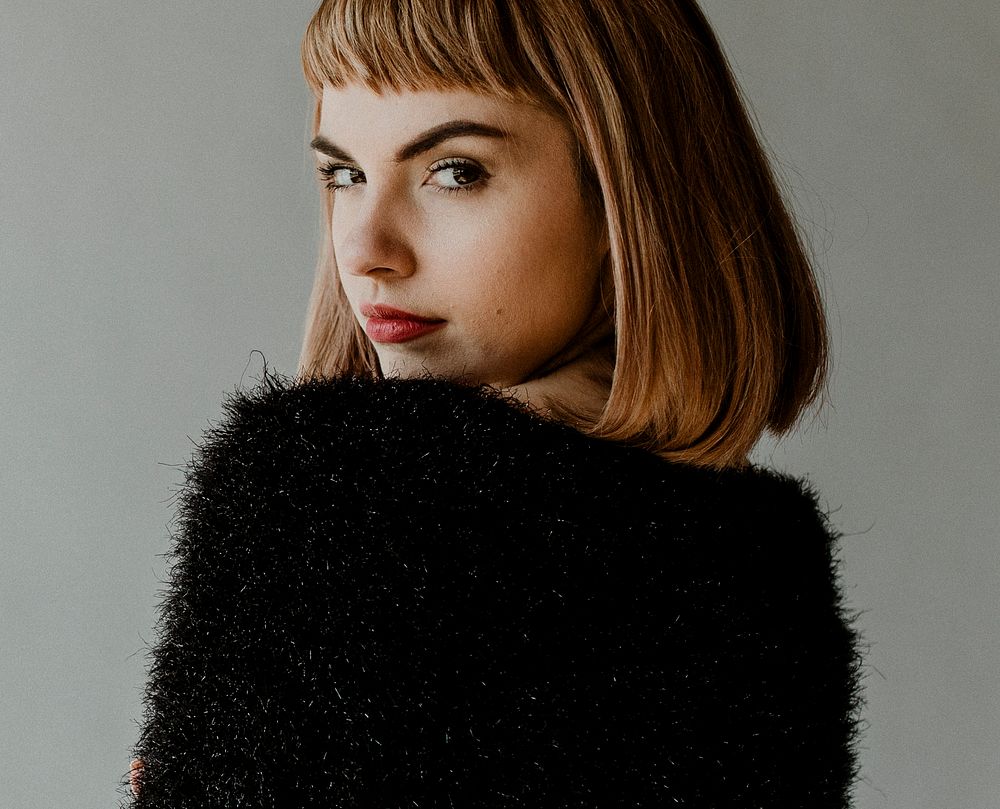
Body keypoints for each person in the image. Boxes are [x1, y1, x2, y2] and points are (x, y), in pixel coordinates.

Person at [127, 1, 862, 806]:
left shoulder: (327, 497)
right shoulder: (766, 570)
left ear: (624, 197)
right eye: (345, 174)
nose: (367, 250)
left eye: (455, 170)